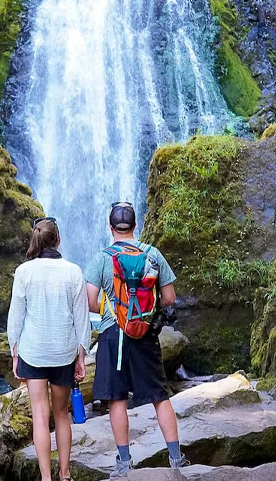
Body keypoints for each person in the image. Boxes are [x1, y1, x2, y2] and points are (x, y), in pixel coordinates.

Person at [85, 202, 187, 476]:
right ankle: (176, 458)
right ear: (135, 225)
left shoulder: (102, 258)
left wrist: (111, 308)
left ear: (110, 228)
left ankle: (124, 462)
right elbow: (169, 298)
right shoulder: (153, 254)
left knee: (117, 399)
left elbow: (89, 301)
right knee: (159, 395)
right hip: (144, 332)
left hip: (112, 333)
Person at [7, 217, 91, 481]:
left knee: (41, 418)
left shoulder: (23, 272)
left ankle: (46, 478)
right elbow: (82, 318)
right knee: (62, 415)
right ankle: (64, 475)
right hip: (63, 352)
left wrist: (15, 353)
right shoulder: (73, 271)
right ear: (58, 240)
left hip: (33, 352)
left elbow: (15, 317)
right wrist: (82, 354)